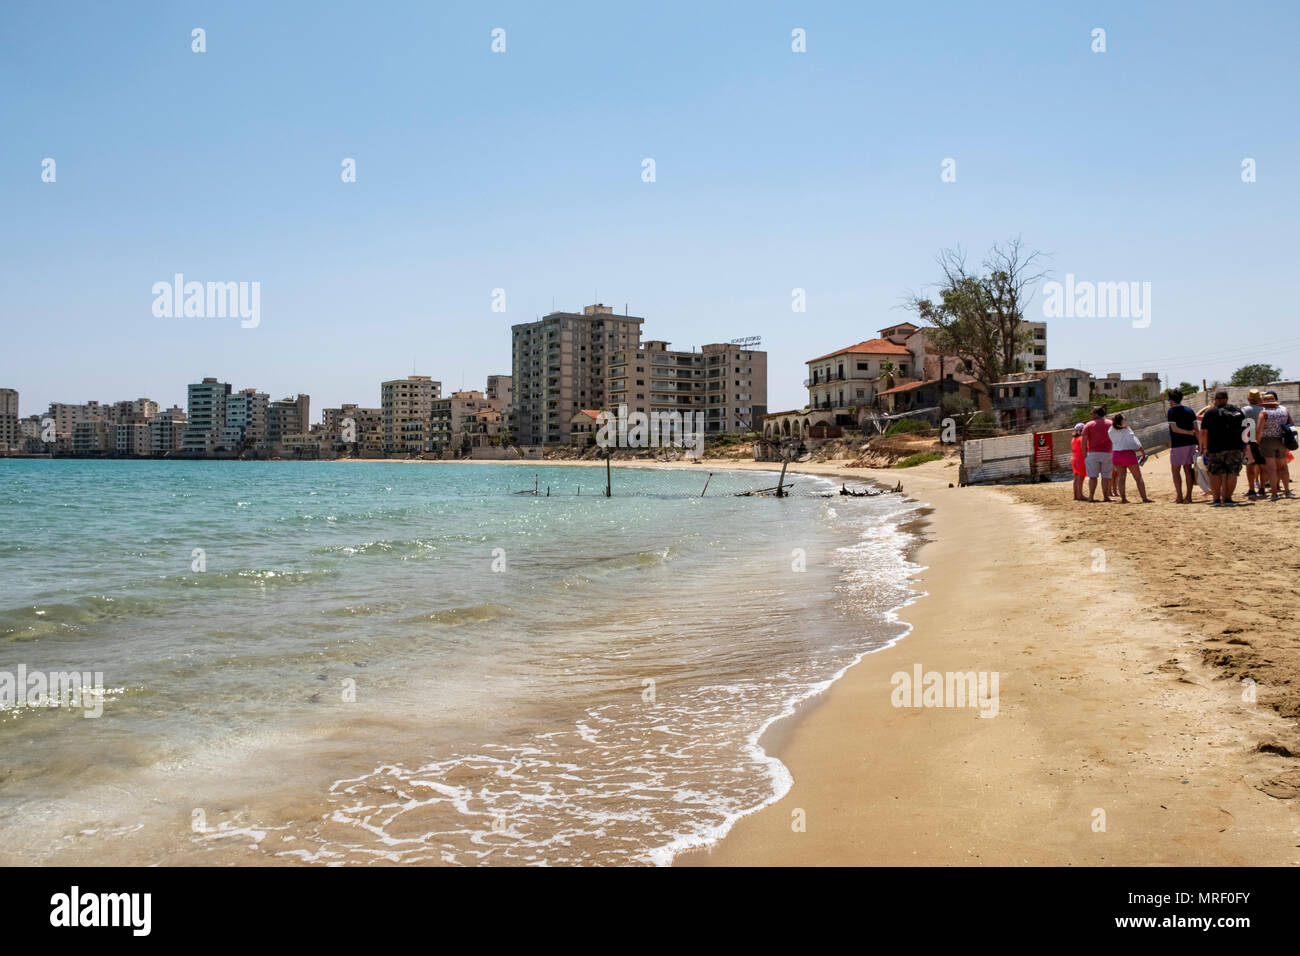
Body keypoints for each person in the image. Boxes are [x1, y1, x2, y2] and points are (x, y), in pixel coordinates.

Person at [1198, 390, 1246, 506]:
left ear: (1215, 399)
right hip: (1235, 447)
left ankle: (1216, 499)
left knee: (1215, 473)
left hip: (1215, 447)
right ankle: (1228, 499)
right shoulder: (1238, 411)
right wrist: (1244, 446)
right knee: (1232, 473)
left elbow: (1204, 432)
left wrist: (1205, 448)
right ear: (1227, 399)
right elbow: (1245, 430)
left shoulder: (1210, 413)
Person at [1256, 391, 1295, 500]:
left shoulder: (1264, 413)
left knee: (1271, 468)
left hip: (1268, 441)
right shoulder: (1284, 410)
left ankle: (1274, 493)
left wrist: (1258, 441)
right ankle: (1287, 491)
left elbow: (1259, 430)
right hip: (1282, 441)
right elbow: (1291, 424)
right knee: (1283, 467)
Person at [1108, 413, 1151, 503]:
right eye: (1124, 419)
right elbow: (1135, 443)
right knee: (1138, 478)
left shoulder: (1110, 430)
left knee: (1121, 477)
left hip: (1116, 454)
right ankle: (1144, 498)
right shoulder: (1127, 430)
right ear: (1122, 420)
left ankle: (1123, 499)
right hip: (1128, 454)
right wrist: (1143, 452)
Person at [1166, 389, 1199, 503]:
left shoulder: (1171, 412)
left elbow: (1174, 429)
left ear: (1171, 400)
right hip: (1190, 444)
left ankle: (1179, 496)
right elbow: (1196, 429)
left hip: (1178, 444)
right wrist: (1198, 442)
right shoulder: (1190, 410)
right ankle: (1188, 497)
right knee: (1188, 470)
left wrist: (1188, 432)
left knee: (1175, 470)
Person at [1080, 406, 1114, 502]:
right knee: (1106, 476)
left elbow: (1084, 440)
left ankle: (1091, 496)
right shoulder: (1111, 424)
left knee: (1093, 476)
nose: (1090, 415)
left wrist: (1084, 452)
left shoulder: (1089, 425)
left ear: (1096, 414)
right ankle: (1106, 496)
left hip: (1093, 453)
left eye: (1092, 413)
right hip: (1107, 453)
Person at [1240, 387, 1265, 497]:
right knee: (1262, 466)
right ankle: (1262, 488)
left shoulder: (1244, 410)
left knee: (1249, 467)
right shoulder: (1264, 410)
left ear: (1249, 399)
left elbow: (1243, 426)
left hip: (1249, 439)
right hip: (1263, 440)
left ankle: (1251, 489)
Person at [1070, 422, 1086, 501]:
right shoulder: (1082, 438)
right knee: (1080, 477)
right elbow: (1086, 448)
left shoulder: (1073, 439)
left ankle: (1076, 495)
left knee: (1076, 478)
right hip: (1080, 458)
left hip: (1074, 457)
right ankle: (1080, 495)